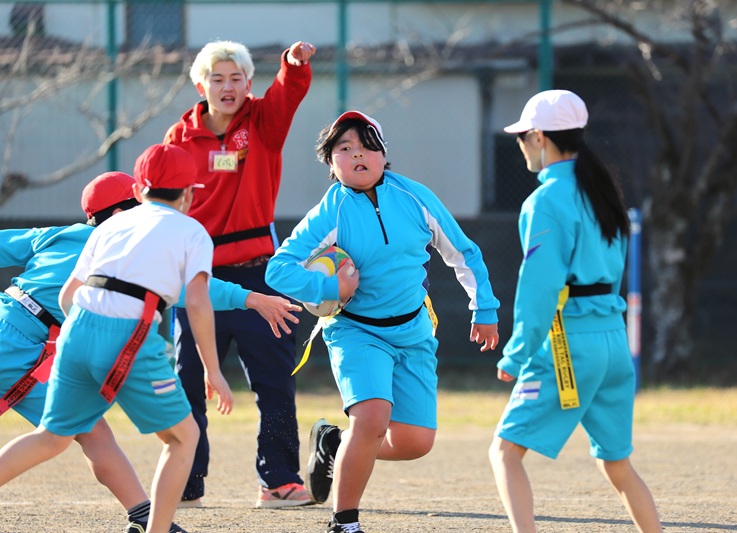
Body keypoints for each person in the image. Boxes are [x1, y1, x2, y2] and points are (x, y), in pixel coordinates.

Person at [0, 171, 301, 531]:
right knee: (79, 433)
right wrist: (249, 298)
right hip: (18, 342)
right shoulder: (124, 249)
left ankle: (142, 513)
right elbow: (194, 291)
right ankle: (146, 516)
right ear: (119, 214)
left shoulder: (59, 234)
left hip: (15, 330)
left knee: (86, 431)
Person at [265, 111, 501, 533]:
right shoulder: (330, 211)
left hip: (413, 330)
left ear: (383, 153)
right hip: (355, 331)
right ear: (331, 163)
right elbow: (278, 269)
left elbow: (463, 253)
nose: (358, 154)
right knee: (372, 419)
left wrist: (483, 308)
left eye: (366, 145)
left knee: (415, 443)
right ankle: (344, 522)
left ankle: (335, 444)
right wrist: (329, 290)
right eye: (344, 149)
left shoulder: (415, 196)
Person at [488, 89, 663, 533]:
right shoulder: (603, 196)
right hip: (612, 343)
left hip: (569, 344)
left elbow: (540, 287)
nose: (520, 143)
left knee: (505, 452)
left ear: (541, 137)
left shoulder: (545, 201)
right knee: (617, 465)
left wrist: (517, 353)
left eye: (523, 135)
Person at [163, 38, 317, 508]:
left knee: (274, 378)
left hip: (259, 276)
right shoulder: (179, 138)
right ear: (199, 84)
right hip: (199, 278)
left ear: (249, 84)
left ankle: (278, 480)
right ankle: (186, 482)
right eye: (217, 78)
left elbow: (287, 94)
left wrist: (292, 66)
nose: (227, 87)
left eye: (236, 78)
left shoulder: (263, 123)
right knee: (188, 380)